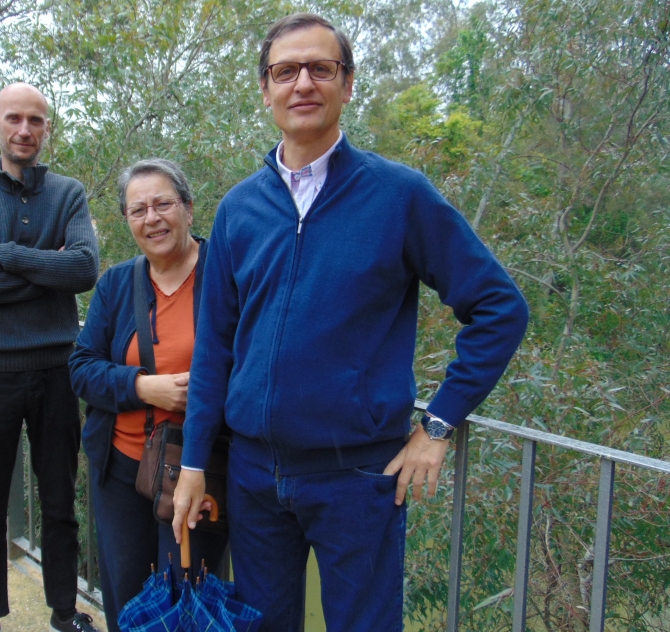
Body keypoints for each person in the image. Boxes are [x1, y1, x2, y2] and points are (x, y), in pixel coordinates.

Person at [170, 13, 529, 632]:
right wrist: (196, 462)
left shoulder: (399, 196)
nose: (302, 82)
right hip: (255, 478)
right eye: (285, 71)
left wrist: (437, 425)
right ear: (266, 89)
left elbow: (500, 308)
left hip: (359, 480)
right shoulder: (238, 210)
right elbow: (216, 352)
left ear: (348, 83)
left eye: (321, 68)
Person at [0, 83, 101, 632]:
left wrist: (5, 257)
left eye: (35, 120)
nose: (24, 130)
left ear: (47, 127)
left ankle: (62, 611)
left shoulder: (68, 193)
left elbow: (83, 270)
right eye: (14, 119)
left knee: (59, 501)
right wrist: (44, 269)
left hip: (56, 370)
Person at [69, 159, 228, 632]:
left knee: (186, 595)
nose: (152, 218)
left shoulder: (225, 275)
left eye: (163, 204)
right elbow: (81, 367)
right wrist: (142, 387)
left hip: (199, 468)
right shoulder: (118, 285)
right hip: (123, 468)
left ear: (189, 208)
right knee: (129, 598)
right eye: (138, 210)